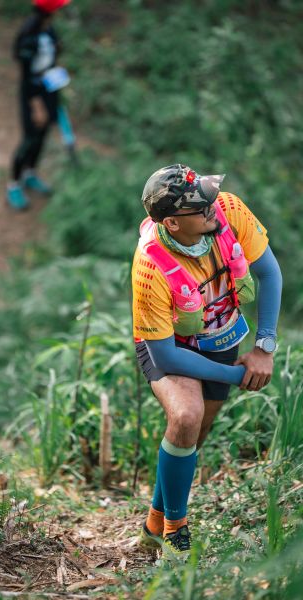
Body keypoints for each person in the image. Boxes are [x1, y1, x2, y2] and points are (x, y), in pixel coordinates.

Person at [132, 164, 282, 558]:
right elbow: (166, 355)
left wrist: (264, 347)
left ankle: (153, 524)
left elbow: (269, 274)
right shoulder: (150, 266)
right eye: (200, 208)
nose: (212, 208)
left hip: (220, 335)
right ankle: (175, 531)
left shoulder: (228, 210)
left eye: (209, 198)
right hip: (169, 344)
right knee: (186, 416)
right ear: (172, 223)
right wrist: (237, 375)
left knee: (193, 435)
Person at [7, 0, 71, 210]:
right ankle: (14, 184)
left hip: (48, 88)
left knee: (43, 135)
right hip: (32, 94)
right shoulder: (29, 36)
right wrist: (37, 106)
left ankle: (30, 173)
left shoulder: (48, 29)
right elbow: (26, 76)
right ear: (49, 11)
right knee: (30, 138)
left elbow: (52, 57)